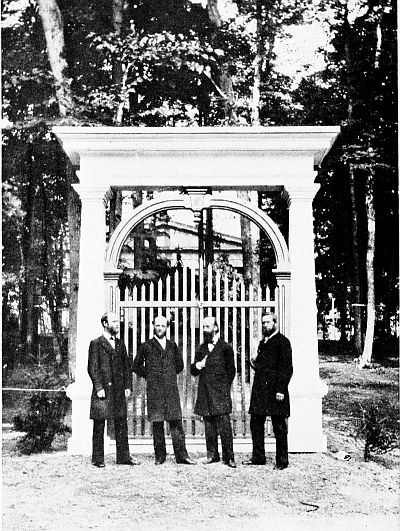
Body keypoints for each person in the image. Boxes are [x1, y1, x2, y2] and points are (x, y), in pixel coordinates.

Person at [132, 315, 196, 466]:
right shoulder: (146, 345)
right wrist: (150, 374)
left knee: (176, 422)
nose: (160, 328)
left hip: (171, 389)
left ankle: (182, 456)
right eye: (157, 325)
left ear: (167, 327)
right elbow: (136, 365)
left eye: (163, 325)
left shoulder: (172, 345)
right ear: (153, 326)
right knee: (157, 423)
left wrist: (169, 374)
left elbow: (180, 365)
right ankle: (160, 456)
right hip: (155, 390)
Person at [88, 312, 138, 468]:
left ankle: (123, 457)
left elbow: (126, 367)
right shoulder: (96, 343)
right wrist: (98, 387)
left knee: (121, 423)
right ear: (105, 323)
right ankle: (98, 459)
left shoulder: (120, 344)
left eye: (118, 321)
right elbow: (92, 368)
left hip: (118, 390)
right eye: (114, 321)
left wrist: (128, 386)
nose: (117, 324)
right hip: (103, 390)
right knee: (99, 424)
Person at [243, 312, 293, 470]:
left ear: (275, 323)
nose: (265, 325)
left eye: (268, 322)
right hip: (260, 391)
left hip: (276, 391)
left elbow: (286, 368)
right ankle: (258, 457)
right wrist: (254, 363)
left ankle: (282, 461)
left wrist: (281, 390)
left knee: (279, 427)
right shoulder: (263, 342)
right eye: (263, 323)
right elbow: (264, 366)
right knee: (256, 424)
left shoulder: (283, 342)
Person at [191, 316, 236, 468]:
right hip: (205, 393)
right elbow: (193, 370)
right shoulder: (201, 348)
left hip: (221, 393)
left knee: (224, 426)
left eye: (208, 327)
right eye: (203, 327)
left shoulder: (226, 347)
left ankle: (229, 457)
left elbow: (231, 371)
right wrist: (199, 365)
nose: (205, 330)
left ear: (216, 328)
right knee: (209, 426)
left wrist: (223, 388)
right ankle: (212, 455)